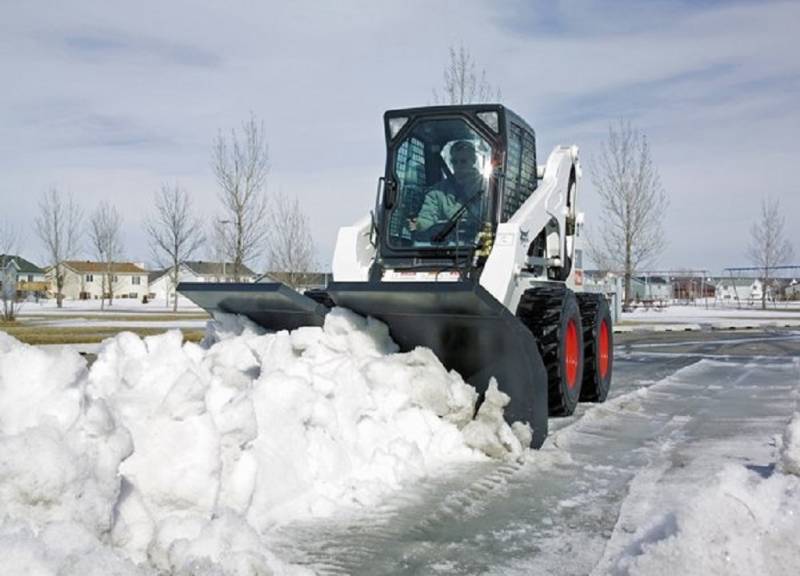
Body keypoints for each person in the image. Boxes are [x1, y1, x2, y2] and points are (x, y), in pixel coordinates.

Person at [409, 140, 486, 237]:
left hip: (478, 244)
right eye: (454, 162)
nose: (458, 165)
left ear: (473, 161)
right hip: (445, 246)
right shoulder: (438, 191)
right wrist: (417, 224)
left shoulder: (486, 188)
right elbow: (427, 217)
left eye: (463, 161)